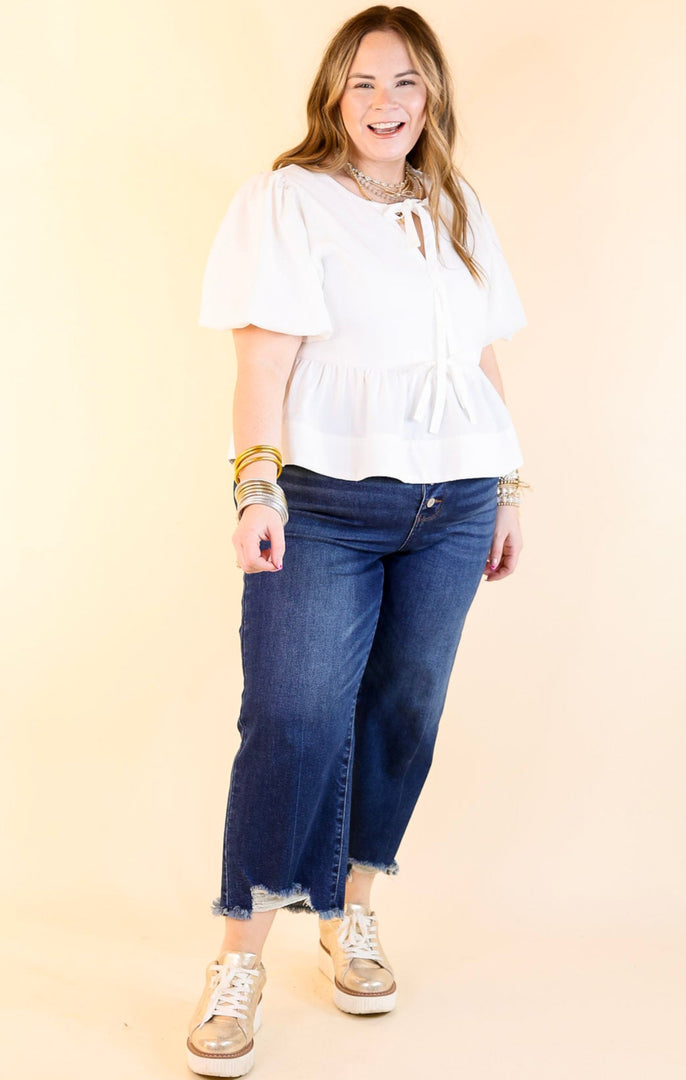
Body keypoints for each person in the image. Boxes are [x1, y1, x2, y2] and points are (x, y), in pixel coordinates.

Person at [188, 5, 530, 1075]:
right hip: (326, 502)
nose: (386, 104)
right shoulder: (286, 202)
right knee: (292, 719)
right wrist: (256, 490)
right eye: (365, 82)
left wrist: (508, 485)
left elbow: (479, 360)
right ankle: (239, 960)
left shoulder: (457, 207)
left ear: (433, 98)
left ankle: (351, 910)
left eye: (406, 83)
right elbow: (262, 363)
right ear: (335, 93)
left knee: (403, 713)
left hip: (454, 502)